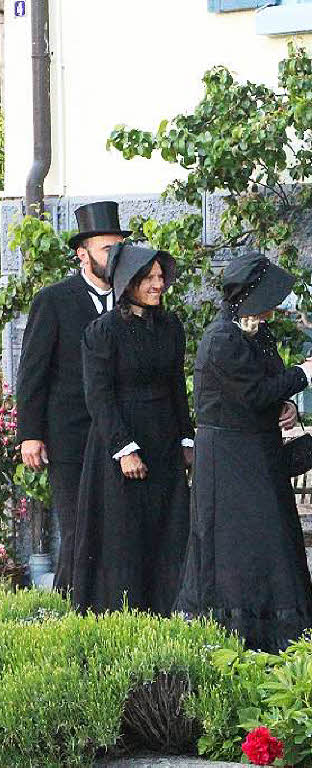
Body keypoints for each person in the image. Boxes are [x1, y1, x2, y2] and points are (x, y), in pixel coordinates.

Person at [175, 251, 312, 652]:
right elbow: (253, 392)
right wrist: (304, 375)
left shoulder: (255, 333)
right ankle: (238, 636)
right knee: (238, 545)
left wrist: (288, 406)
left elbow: (268, 388)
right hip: (229, 460)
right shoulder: (222, 339)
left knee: (272, 541)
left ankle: (276, 637)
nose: (274, 308)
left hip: (257, 453)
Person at [71, 245, 192, 614]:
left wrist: (187, 440)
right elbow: (99, 396)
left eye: (161, 278)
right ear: (129, 283)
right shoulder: (102, 332)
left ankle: (167, 613)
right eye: (150, 278)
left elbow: (176, 387)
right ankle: (123, 617)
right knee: (123, 534)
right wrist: (125, 448)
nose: (158, 285)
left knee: (167, 529)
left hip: (165, 442)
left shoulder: (171, 327)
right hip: (119, 445)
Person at [16, 202, 129, 591]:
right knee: (78, 525)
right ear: (83, 255)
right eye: (105, 250)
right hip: (70, 436)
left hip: (120, 436)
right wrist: (30, 433)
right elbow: (32, 371)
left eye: (119, 249)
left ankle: (114, 605)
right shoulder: (54, 300)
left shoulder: (133, 300)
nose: (114, 258)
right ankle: (73, 605)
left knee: (117, 526)